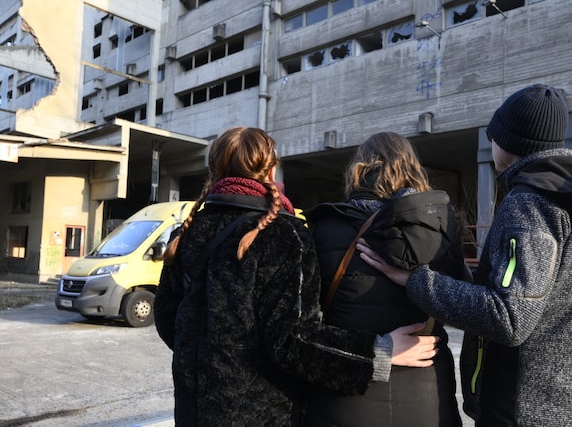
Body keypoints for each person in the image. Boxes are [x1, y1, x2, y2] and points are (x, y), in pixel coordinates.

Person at [358, 84, 572, 426]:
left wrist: (414, 280)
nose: (490, 144)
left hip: (523, 410)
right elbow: (538, 297)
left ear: (507, 142)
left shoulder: (530, 203)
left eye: (492, 136)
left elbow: (509, 318)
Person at [153, 127, 439, 426]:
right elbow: (293, 341)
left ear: (215, 168)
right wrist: (378, 352)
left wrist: (209, 357)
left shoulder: (186, 233)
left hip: (192, 409)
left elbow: (167, 319)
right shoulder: (282, 233)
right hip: (262, 413)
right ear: (270, 168)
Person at [303, 132, 467, 427]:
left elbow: (306, 330)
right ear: (412, 169)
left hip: (345, 399)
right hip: (429, 399)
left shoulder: (327, 228)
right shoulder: (442, 229)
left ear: (359, 170)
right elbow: (466, 302)